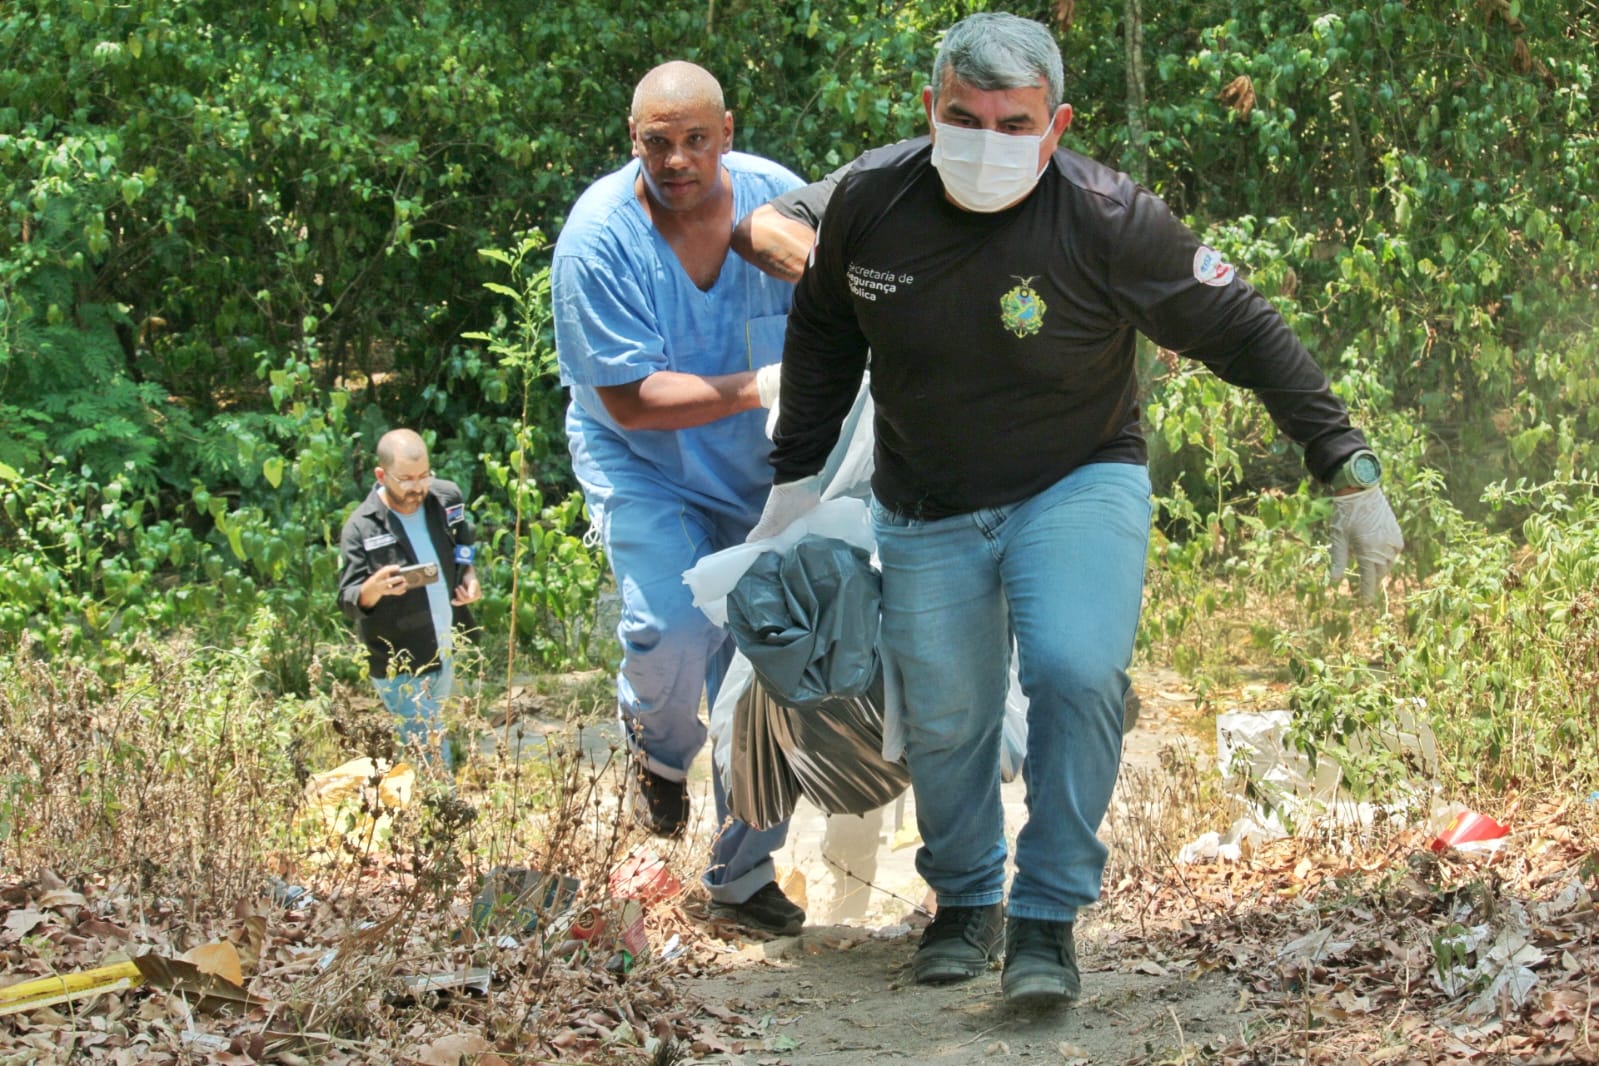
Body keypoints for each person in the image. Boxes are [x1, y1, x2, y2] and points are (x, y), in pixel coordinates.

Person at [747, 12, 1404, 1006]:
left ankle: (1048, 913)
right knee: (947, 713)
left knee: (1076, 669)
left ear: (1055, 129)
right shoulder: (872, 203)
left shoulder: (1108, 216)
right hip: (924, 499)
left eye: (1016, 125)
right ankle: (967, 901)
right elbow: (826, 330)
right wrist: (794, 479)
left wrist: (1345, 463)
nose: (989, 142)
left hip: (1077, 475)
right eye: (965, 118)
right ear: (930, 111)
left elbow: (1243, 327)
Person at [550, 61, 807, 935]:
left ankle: (742, 873)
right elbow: (629, 401)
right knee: (669, 623)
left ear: (726, 133)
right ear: (634, 141)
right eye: (657, 142)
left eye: (696, 139)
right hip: (642, 463)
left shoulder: (780, 201)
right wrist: (758, 383)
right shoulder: (598, 239)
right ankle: (658, 751)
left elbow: (854, 299)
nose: (677, 160)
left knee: (770, 661)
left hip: (762, 472)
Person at [338, 428, 481, 770]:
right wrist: (372, 588)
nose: (417, 488)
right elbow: (347, 599)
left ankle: (412, 804)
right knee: (430, 750)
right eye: (406, 479)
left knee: (424, 740)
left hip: (445, 644)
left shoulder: (446, 498)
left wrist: (469, 574)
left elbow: (464, 539)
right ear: (381, 474)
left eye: (424, 476)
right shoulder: (361, 528)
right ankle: (444, 812)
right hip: (399, 660)